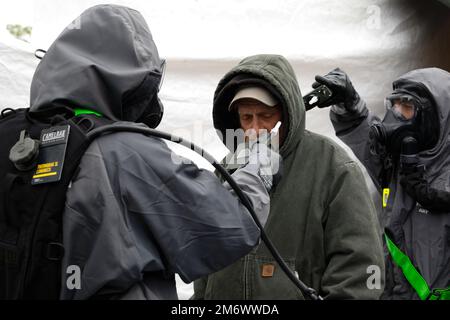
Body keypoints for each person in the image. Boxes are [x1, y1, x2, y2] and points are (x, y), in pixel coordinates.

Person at [0, 5, 281, 300]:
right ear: (133, 79)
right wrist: (259, 162)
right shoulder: (123, 152)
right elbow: (233, 225)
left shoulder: (11, 135)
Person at [193, 54, 385, 300]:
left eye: (265, 116)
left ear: (287, 112)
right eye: (246, 117)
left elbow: (359, 272)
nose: (254, 128)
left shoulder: (334, 167)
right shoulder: (226, 172)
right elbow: (205, 263)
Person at [313, 67, 450, 300]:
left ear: (434, 118)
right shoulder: (397, 165)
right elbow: (363, 135)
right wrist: (348, 101)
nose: (396, 115)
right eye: (394, 105)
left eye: (407, 107)